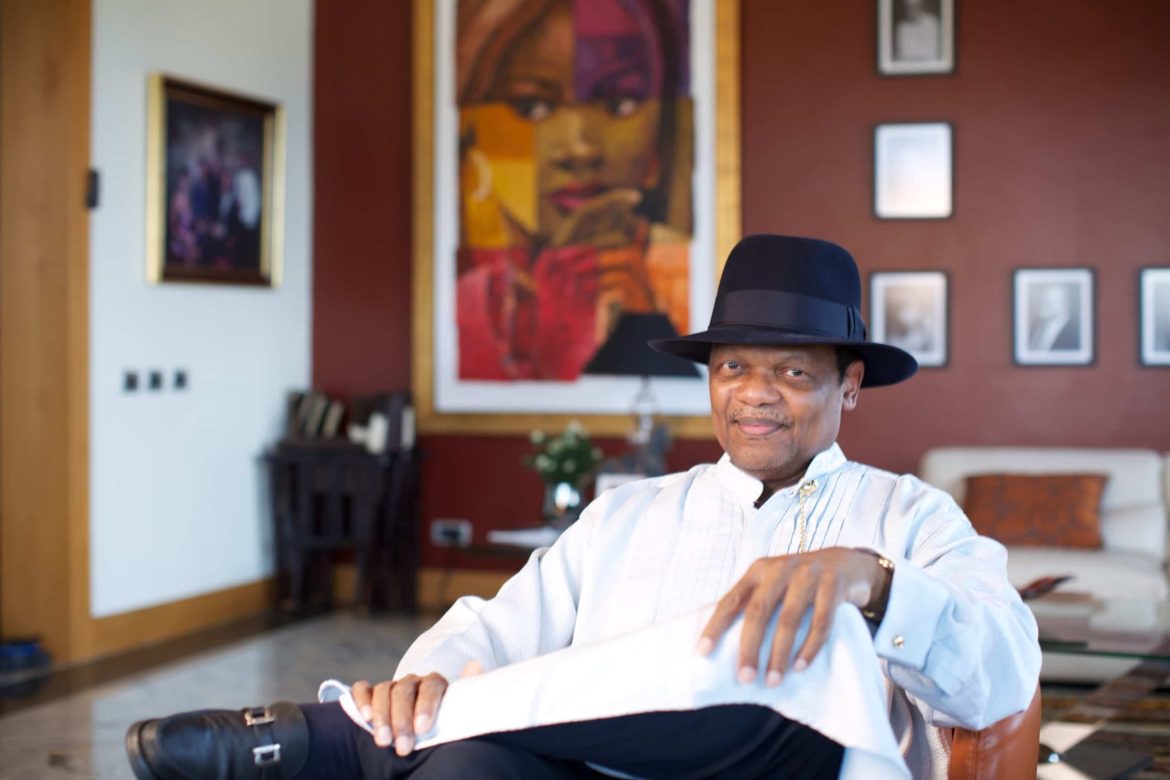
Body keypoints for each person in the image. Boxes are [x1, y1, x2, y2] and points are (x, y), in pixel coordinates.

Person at [125, 235, 1040, 779]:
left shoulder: (908, 517)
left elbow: (1001, 673)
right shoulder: (628, 515)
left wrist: (871, 583)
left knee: (799, 647)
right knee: (468, 761)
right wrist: (423, 680)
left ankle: (337, 745)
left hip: (785, 763)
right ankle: (381, 738)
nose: (755, 393)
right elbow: (494, 626)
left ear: (850, 386)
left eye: (794, 372)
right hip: (596, 771)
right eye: (733, 367)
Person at [455, 0, 694, 381]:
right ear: (471, 132)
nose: (580, 149)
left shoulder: (692, 286)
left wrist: (643, 318)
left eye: (618, 103)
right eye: (531, 106)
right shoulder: (461, 309)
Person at [1028, 283, 1080, 352]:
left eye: (1047, 302)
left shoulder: (1074, 334)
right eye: (1041, 301)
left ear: (1063, 304)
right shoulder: (1035, 328)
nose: (1041, 306)